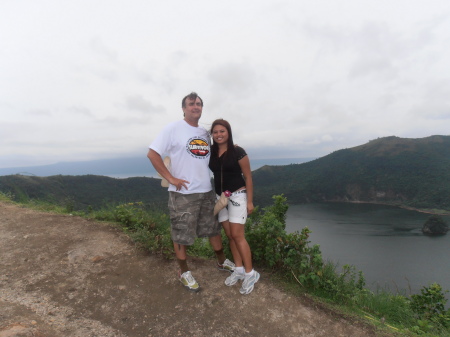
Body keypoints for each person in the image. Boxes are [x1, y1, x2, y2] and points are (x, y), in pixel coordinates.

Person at [147, 93, 235, 292]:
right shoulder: (172, 129)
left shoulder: (205, 133)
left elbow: (217, 150)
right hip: (183, 193)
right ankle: (183, 272)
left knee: (213, 229)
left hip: (206, 190)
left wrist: (233, 149)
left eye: (199, 104)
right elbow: (152, 153)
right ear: (184, 108)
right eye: (191, 104)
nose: (196, 106)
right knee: (181, 233)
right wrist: (171, 178)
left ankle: (222, 261)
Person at [208, 119, 260, 295]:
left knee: (238, 235)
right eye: (215, 132)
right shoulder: (212, 152)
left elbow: (249, 177)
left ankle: (250, 273)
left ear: (228, 132)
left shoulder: (238, 151)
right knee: (230, 235)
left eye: (222, 131)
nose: (218, 135)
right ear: (212, 134)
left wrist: (250, 201)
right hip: (221, 198)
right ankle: (238, 269)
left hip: (238, 195)